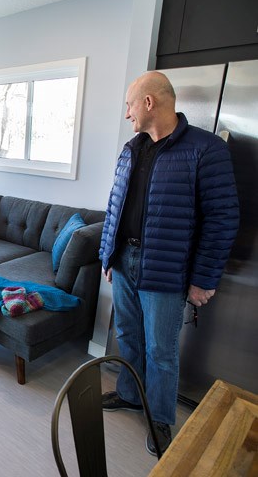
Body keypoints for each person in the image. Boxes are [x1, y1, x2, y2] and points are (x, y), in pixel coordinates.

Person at [100, 71, 239, 455]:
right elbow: (114, 205)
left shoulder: (205, 149)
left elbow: (222, 218)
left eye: (129, 105)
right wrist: (106, 254)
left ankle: (160, 417)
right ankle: (130, 393)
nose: (127, 114)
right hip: (124, 261)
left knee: (161, 349)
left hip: (167, 268)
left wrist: (203, 279)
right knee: (127, 335)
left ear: (149, 103)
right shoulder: (131, 149)